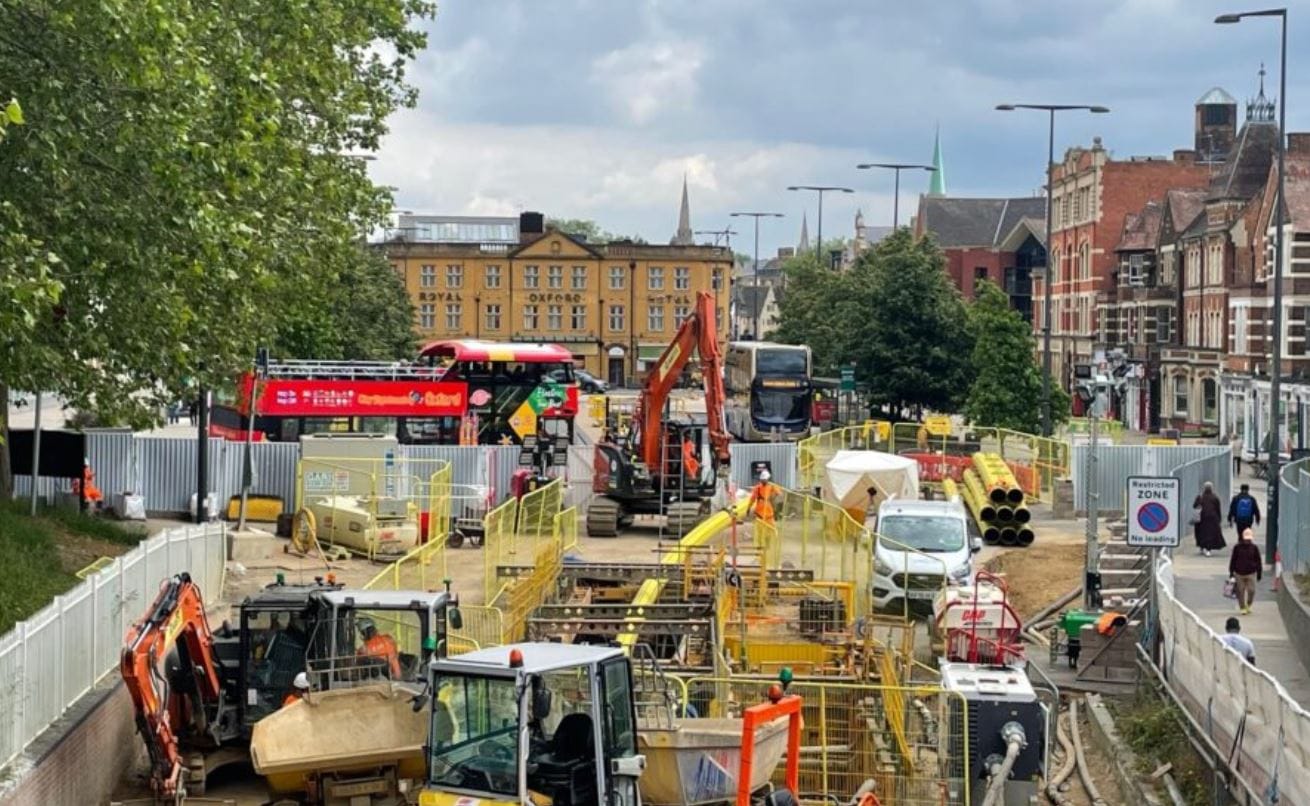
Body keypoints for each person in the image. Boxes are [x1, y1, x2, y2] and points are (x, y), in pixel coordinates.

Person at [1228, 528, 1263, 615]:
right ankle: (1242, 607)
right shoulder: (1237, 548)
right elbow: (1233, 559)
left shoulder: (1254, 548)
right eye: (1246, 539)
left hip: (1251, 573)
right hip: (1239, 573)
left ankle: (1248, 604)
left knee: (1252, 590)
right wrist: (1231, 572)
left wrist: (1259, 573)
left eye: (1249, 539)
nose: (1247, 540)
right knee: (1240, 591)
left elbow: (1258, 560)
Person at [1192, 481, 1226, 557]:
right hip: (1212, 519)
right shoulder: (1215, 497)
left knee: (1201, 533)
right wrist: (1219, 519)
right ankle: (1208, 549)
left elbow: (1194, 506)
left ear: (1204, 488)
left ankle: (1202, 546)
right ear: (1211, 488)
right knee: (1210, 534)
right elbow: (1218, 509)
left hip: (1201, 518)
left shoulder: (1200, 497)